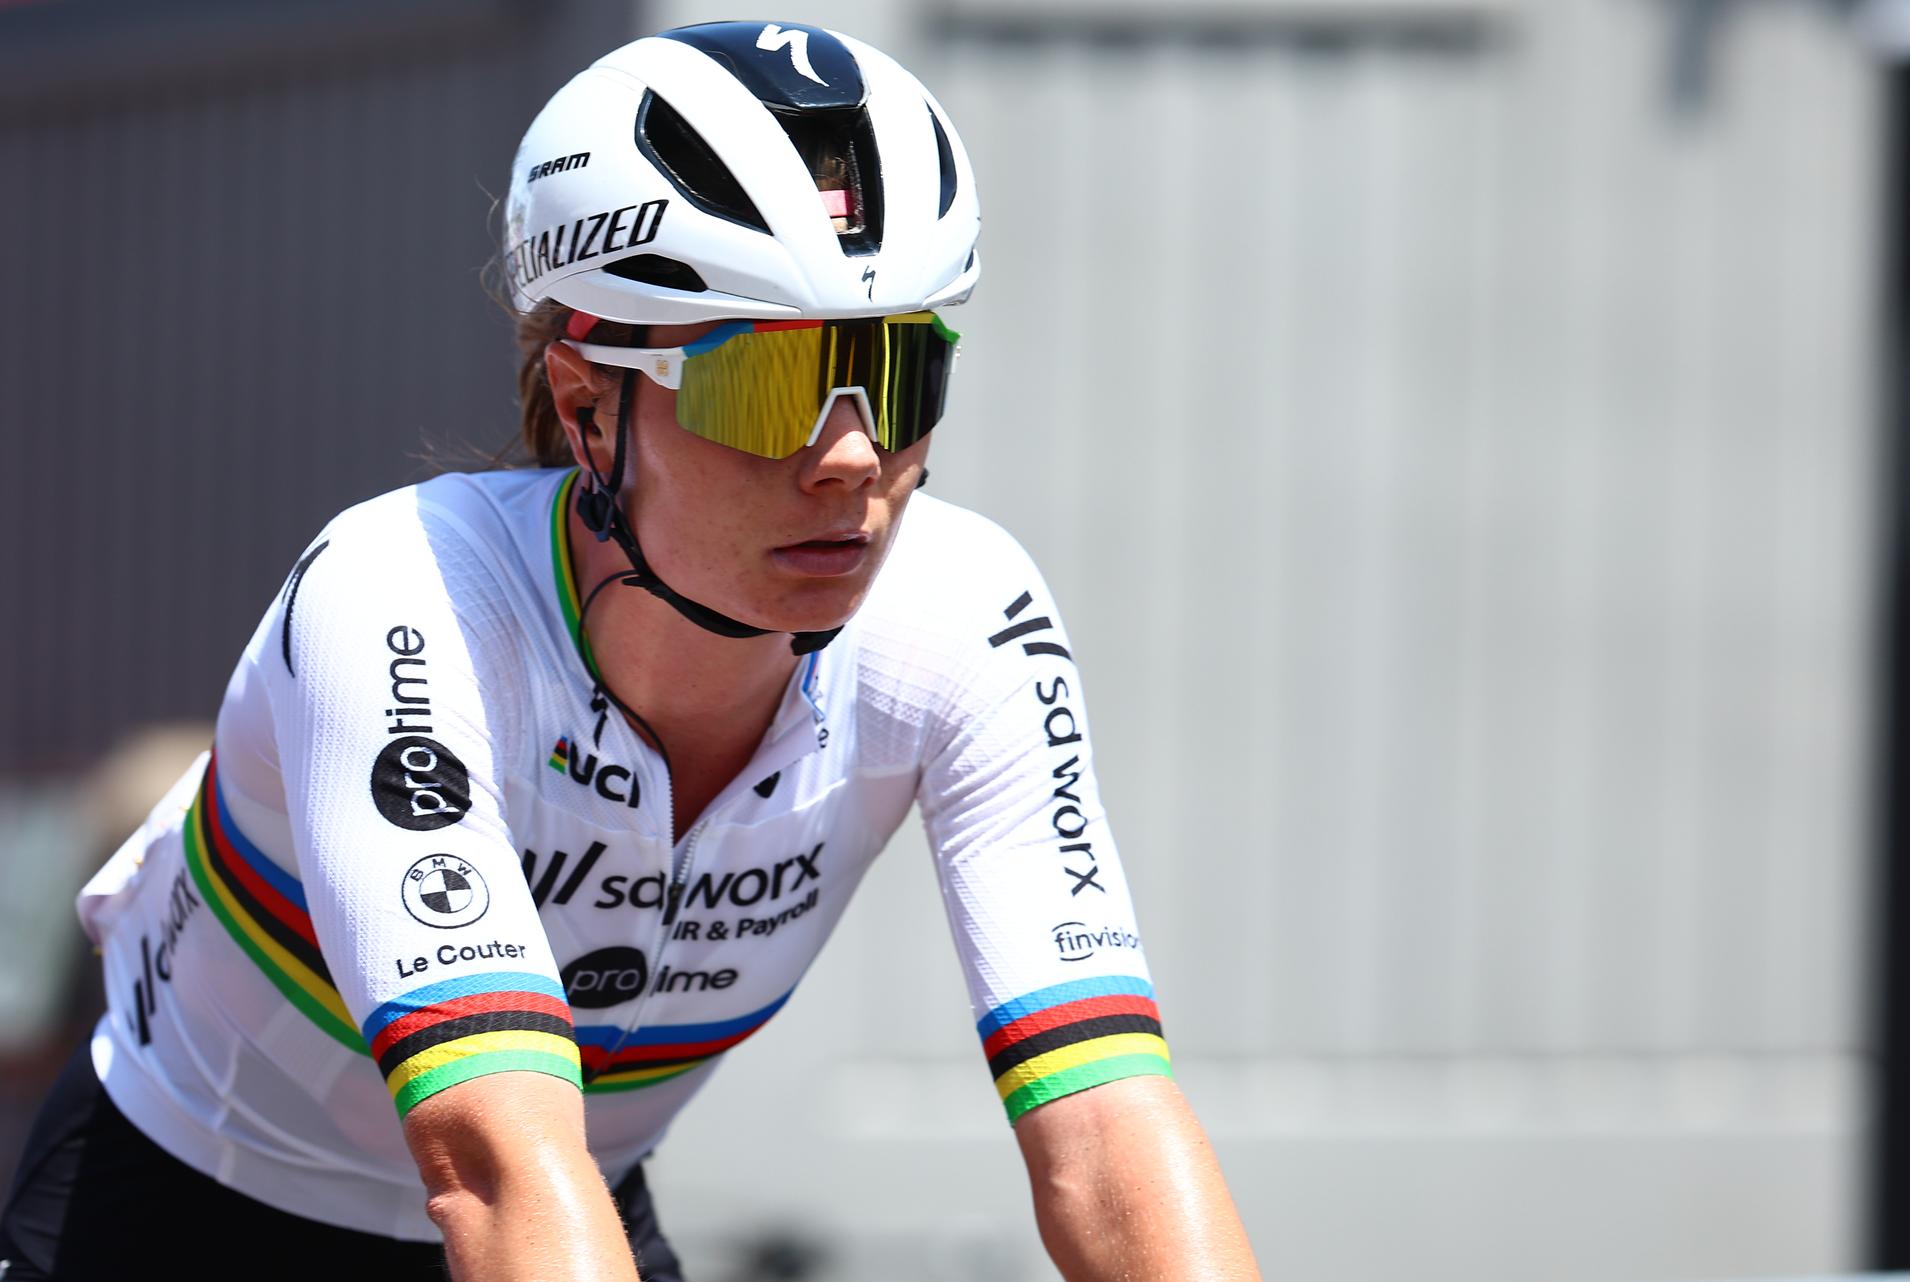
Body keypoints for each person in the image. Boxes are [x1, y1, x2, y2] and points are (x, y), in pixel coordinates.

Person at [0, 21, 1259, 1282]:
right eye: (767, 386)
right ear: (588, 403)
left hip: (572, 1192)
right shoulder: (404, 593)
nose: (850, 456)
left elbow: (1107, 1131)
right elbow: (488, 1162)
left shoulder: (963, 615)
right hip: (183, 1213)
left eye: (896, 370)